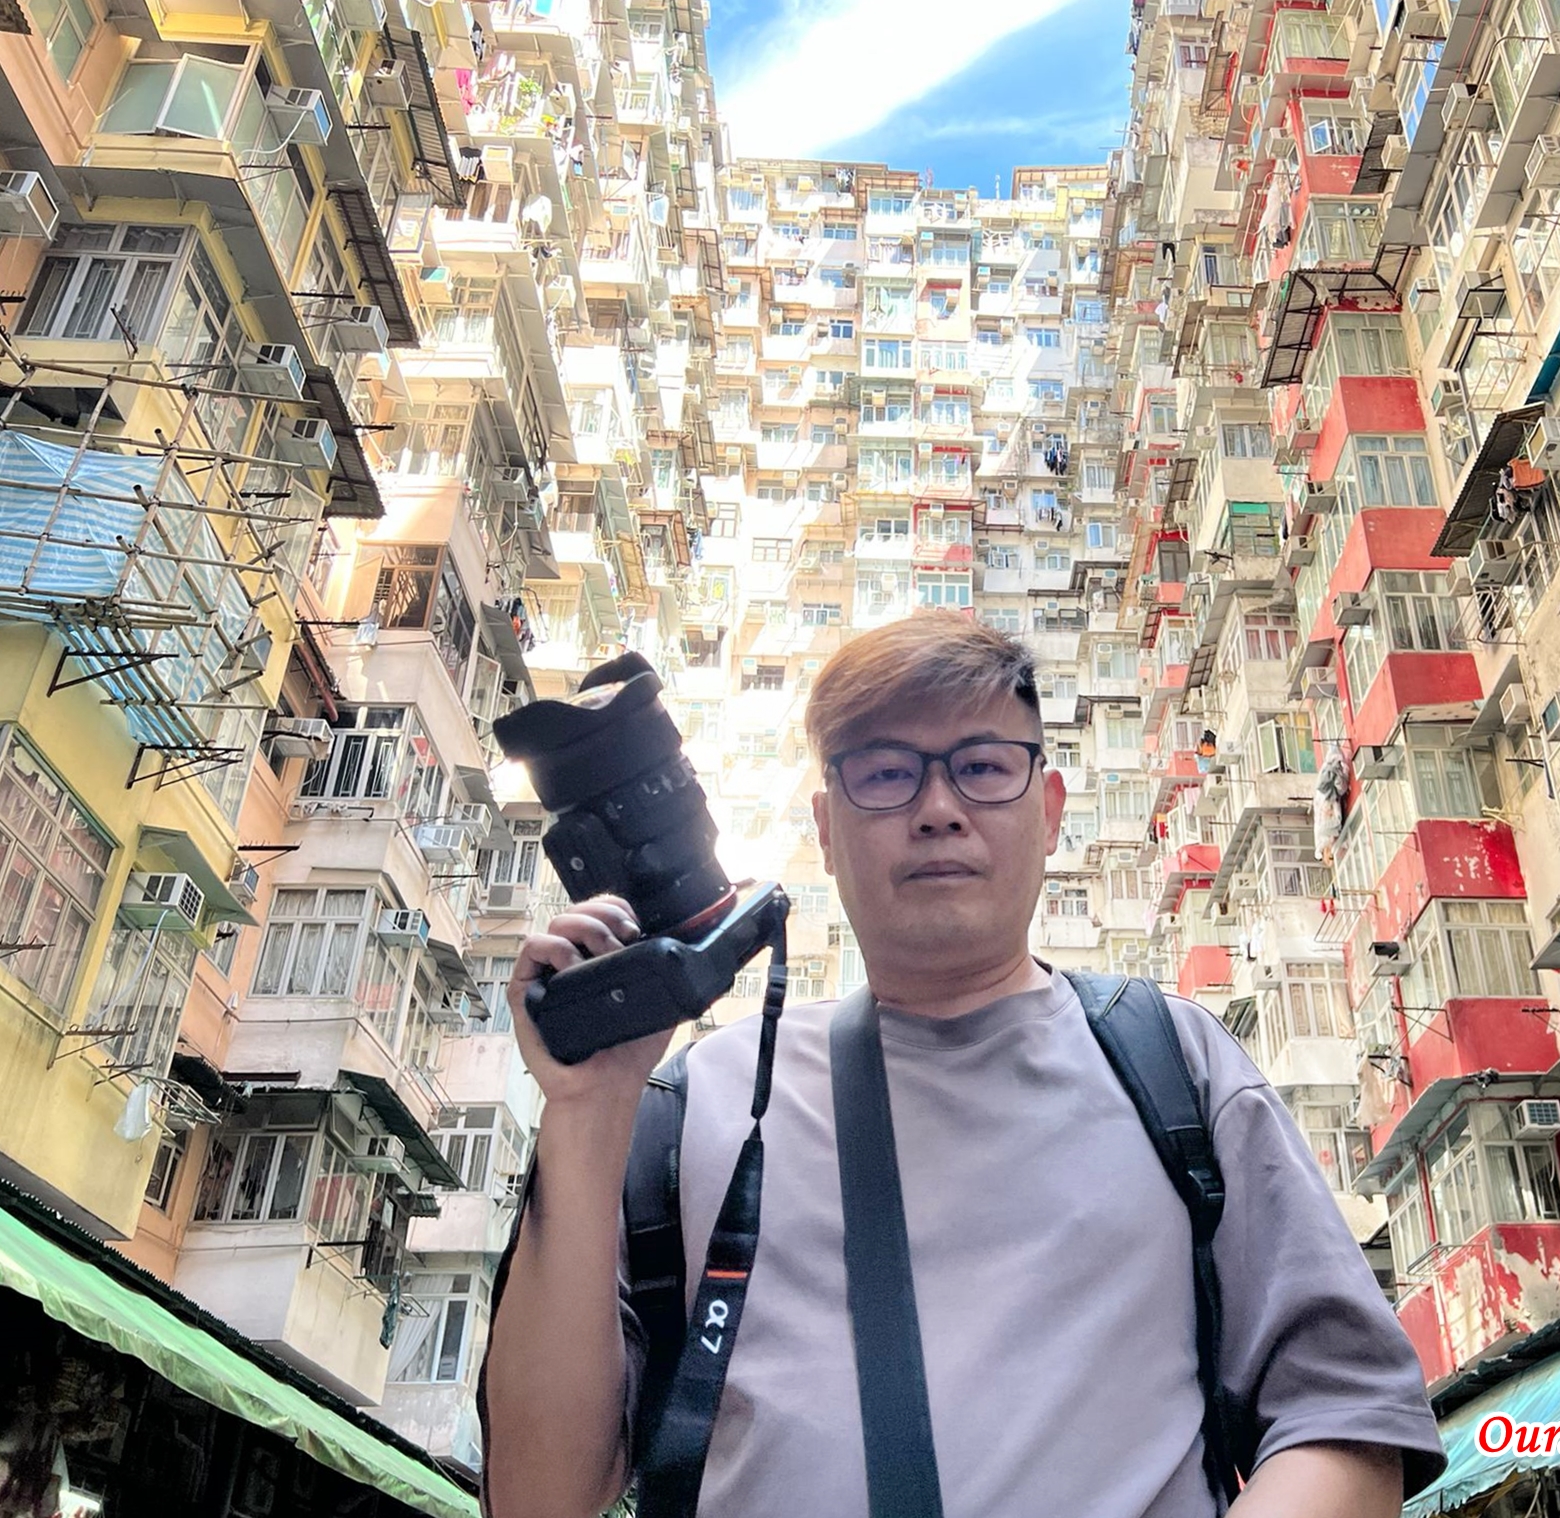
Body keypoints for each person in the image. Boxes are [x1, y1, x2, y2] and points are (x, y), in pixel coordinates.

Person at [480, 612, 1443, 1518]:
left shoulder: (1172, 1064)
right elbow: (538, 1496)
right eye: (886, 774)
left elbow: (1349, 1419)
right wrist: (588, 1108)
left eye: (982, 767)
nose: (938, 809)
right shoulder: (691, 1106)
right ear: (826, 828)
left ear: (1049, 810)